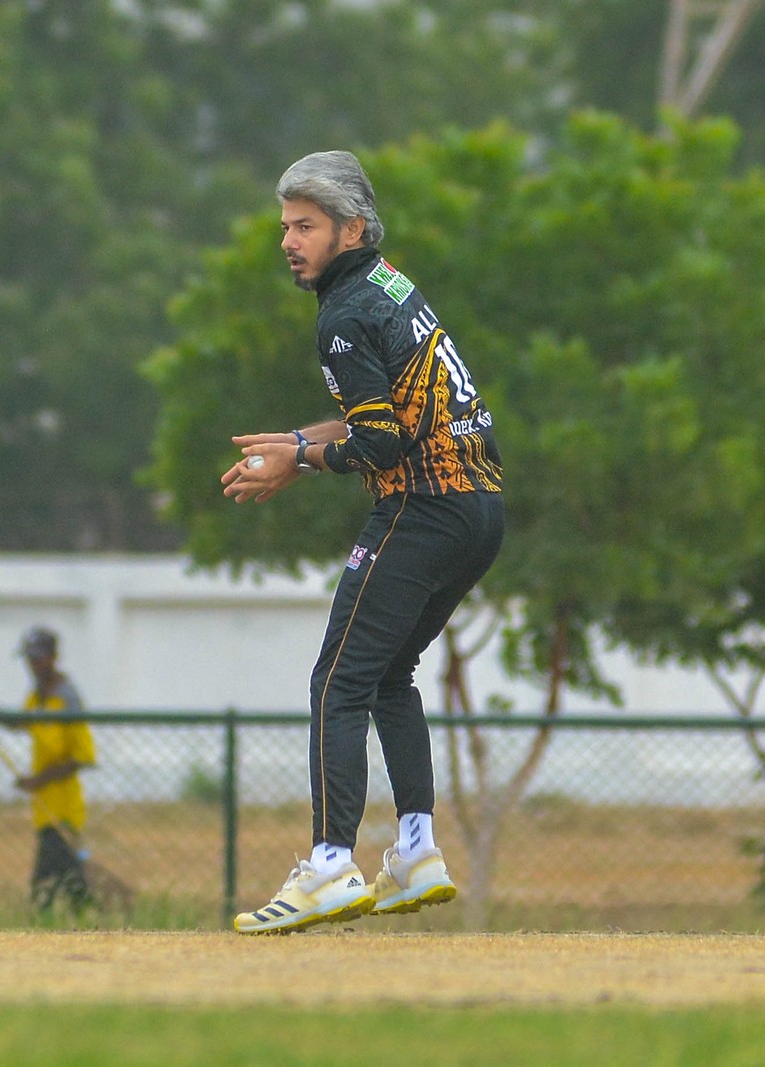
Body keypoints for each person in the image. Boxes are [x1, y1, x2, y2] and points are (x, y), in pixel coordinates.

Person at [221, 150, 505, 935]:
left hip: (422, 508)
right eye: (286, 226)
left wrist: (303, 459)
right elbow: (387, 414)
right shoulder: (388, 285)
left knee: (336, 683)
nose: (289, 241)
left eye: (306, 226)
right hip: (480, 509)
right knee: (387, 678)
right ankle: (416, 851)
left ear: (351, 229)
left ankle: (329, 865)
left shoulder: (345, 315)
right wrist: (295, 441)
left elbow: (379, 443)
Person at [0, 625, 97, 915]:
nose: (33, 665)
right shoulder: (37, 696)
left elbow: (83, 757)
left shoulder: (67, 699)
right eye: (29, 659)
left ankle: (58, 924)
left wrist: (39, 780)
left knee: (45, 886)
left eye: (38, 658)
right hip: (43, 811)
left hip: (63, 810)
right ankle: (90, 919)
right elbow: (15, 722)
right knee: (70, 883)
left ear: (53, 657)